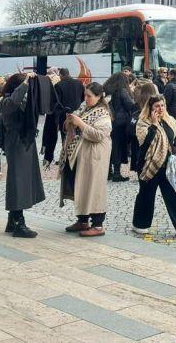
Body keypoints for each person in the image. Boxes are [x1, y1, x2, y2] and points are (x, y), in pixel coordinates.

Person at [131, 94, 176, 239]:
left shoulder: (169, 120)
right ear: (150, 107)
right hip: (148, 164)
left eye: (162, 105)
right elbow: (145, 142)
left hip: (167, 164)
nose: (160, 109)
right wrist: (153, 124)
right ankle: (140, 224)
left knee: (174, 195)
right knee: (146, 195)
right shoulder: (143, 122)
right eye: (157, 106)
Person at [60, 82, 113, 237]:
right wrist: (70, 121)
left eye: (89, 96)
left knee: (94, 189)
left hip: (95, 157)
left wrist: (80, 123)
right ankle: (82, 220)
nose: (86, 98)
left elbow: (99, 135)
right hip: (82, 155)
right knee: (81, 187)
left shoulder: (103, 113)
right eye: (85, 95)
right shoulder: (85, 108)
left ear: (98, 96)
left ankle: (98, 225)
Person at [0, 73, 46, 238]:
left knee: (22, 180)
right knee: (18, 181)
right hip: (16, 142)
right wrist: (25, 83)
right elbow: (12, 103)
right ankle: (19, 222)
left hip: (24, 142)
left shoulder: (21, 99)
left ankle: (13, 220)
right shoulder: (6, 101)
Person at [105, 72, 137, 181]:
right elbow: (130, 105)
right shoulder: (122, 90)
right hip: (120, 123)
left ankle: (108, 172)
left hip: (109, 121)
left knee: (110, 147)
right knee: (117, 148)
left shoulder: (107, 89)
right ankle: (117, 174)